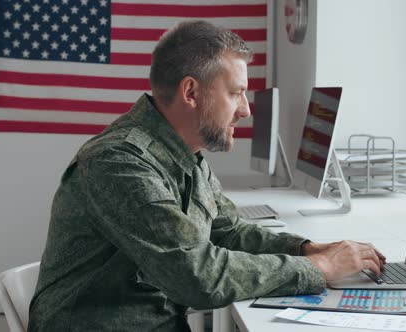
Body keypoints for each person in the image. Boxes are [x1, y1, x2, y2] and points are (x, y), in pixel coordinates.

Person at [27, 20, 386, 331]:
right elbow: (197, 277)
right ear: (191, 93)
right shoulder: (119, 162)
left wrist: (306, 248)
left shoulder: (184, 154)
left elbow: (228, 231)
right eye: (236, 93)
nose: (245, 109)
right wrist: (317, 268)